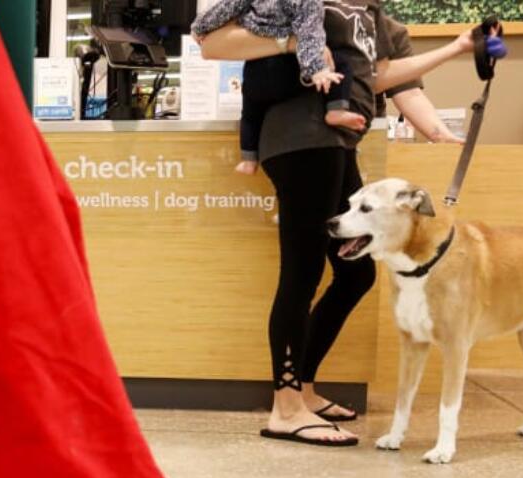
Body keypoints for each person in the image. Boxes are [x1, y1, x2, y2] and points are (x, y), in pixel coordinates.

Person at [199, 7, 485, 446]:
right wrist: (297, 43)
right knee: (303, 271)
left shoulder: (373, 15)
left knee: (355, 272)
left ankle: (304, 389)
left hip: (336, 144)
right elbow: (211, 42)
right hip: (300, 137)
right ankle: (286, 407)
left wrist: (453, 67)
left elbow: (381, 76)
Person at [191, 0, 367, 176]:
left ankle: (248, 159)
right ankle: (336, 110)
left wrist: (199, 27)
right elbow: (309, 34)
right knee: (342, 63)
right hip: (287, 68)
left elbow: (222, 9)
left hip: (256, 69)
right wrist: (316, 70)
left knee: (251, 113)